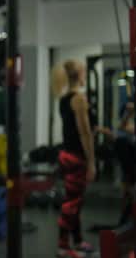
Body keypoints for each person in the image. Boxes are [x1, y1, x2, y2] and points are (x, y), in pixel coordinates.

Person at [51, 59, 97, 258]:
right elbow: (84, 132)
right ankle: (63, 246)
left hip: (66, 154)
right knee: (72, 203)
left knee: (75, 200)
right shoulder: (79, 98)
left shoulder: (64, 98)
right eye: (84, 72)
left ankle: (77, 241)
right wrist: (92, 162)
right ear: (79, 75)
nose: (86, 75)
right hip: (76, 157)